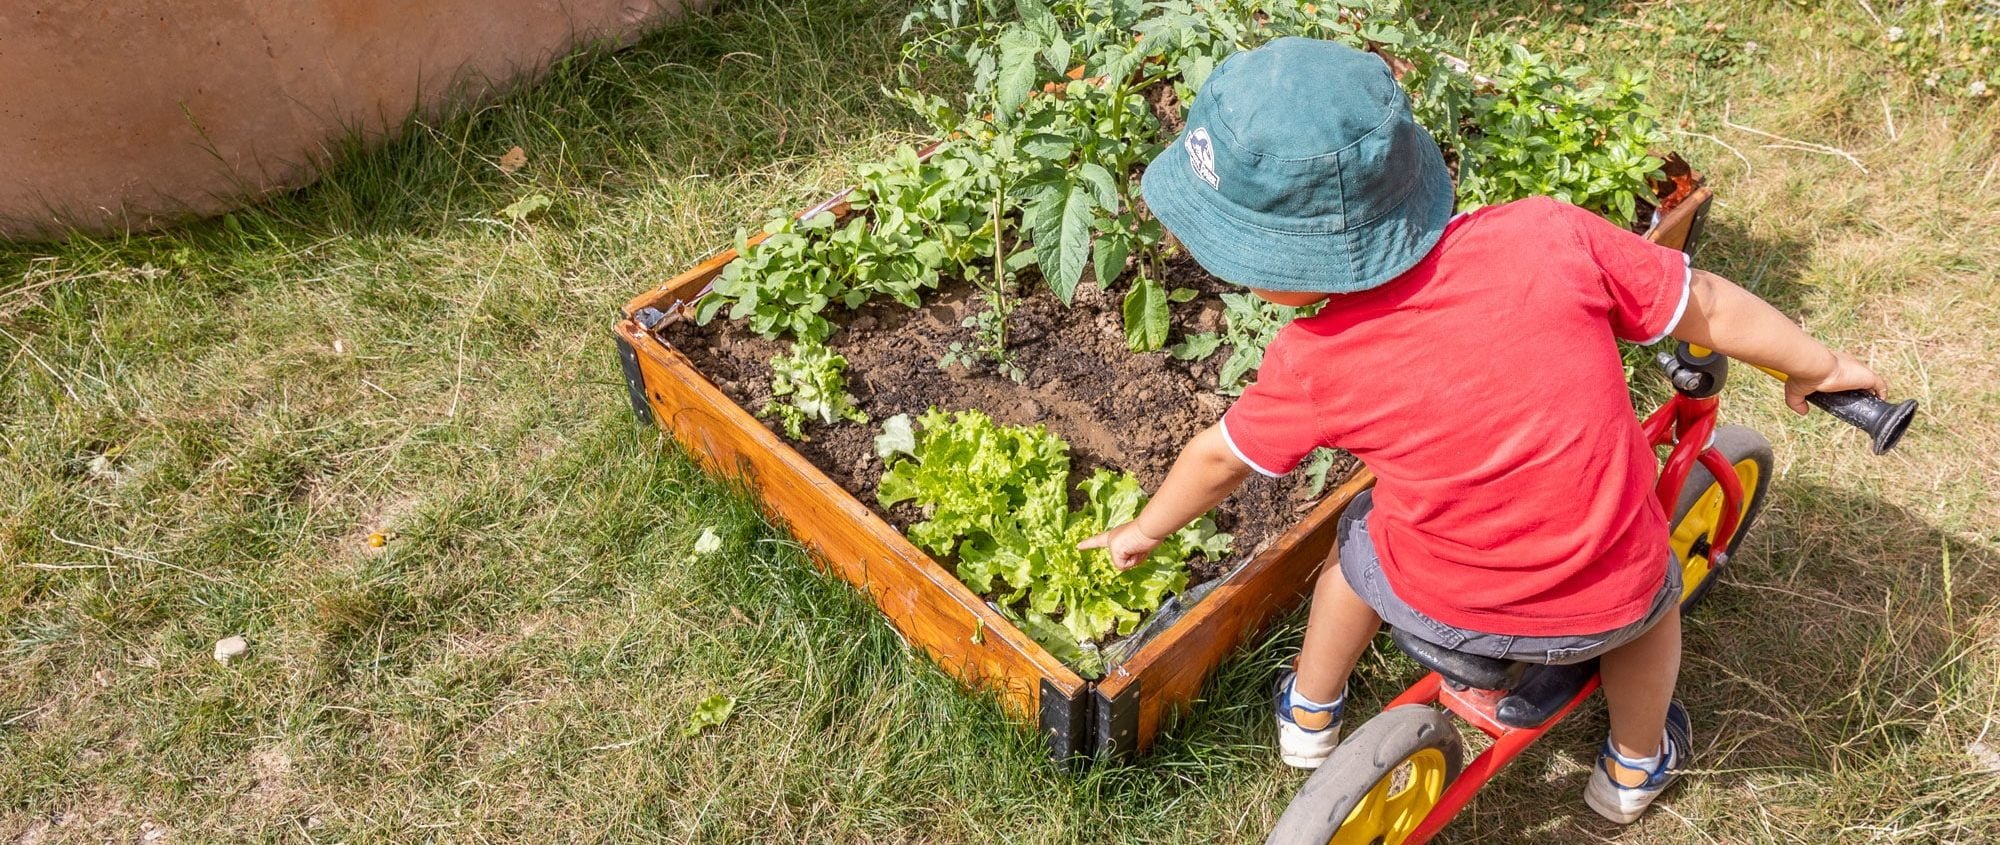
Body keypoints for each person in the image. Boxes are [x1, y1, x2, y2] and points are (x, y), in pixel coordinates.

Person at [1077, 37, 1887, 824]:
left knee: (1355, 547)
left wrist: (1145, 530)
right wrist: (1813, 362)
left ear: (1286, 270)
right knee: (1651, 602)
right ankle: (1635, 767)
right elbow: (1702, 299)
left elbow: (1221, 459)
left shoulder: (1312, 360)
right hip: (1596, 600)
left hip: (1431, 602)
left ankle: (1308, 712)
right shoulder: (1548, 235)